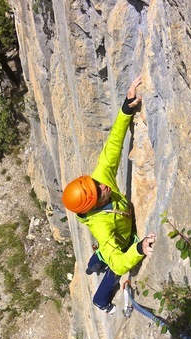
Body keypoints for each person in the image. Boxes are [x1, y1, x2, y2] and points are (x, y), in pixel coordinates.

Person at [62, 76, 156, 314]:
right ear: (92, 205)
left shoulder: (99, 178)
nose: (104, 186)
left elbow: (113, 144)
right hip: (118, 241)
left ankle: (92, 266)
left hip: (112, 240)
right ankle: (101, 301)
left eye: (95, 183)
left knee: (102, 254)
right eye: (99, 191)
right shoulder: (102, 227)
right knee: (112, 269)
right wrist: (138, 249)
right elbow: (118, 262)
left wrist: (126, 108)